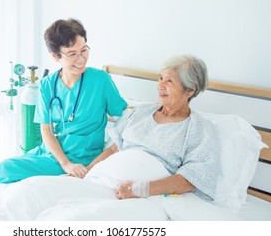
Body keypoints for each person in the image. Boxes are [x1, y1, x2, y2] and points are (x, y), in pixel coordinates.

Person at [0, 18, 127, 188]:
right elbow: (46, 129)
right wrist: (65, 164)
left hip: (83, 159)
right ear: (55, 56)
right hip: (52, 155)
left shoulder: (101, 80)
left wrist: (96, 162)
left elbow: (125, 118)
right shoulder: (47, 85)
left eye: (84, 50)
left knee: (19, 183)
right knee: (4, 168)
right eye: (72, 54)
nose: (81, 59)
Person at [86, 54, 220, 201]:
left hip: (144, 197)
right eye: (161, 78)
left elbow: (192, 179)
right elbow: (114, 149)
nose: (160, 85)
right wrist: (86, 171)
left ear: (189, 91)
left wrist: (140, 189)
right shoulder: (141, 111)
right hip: (102, 181)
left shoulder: (200, 130)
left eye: (169, 81)